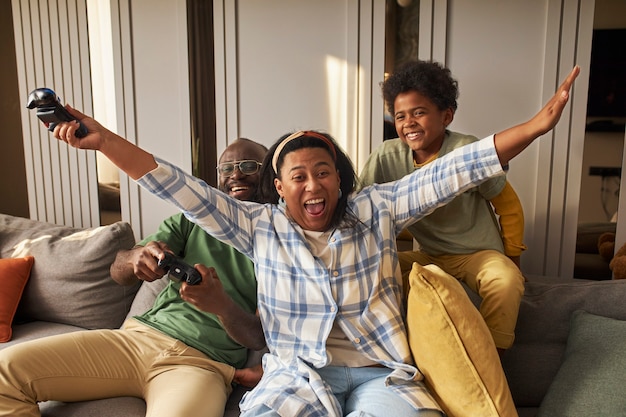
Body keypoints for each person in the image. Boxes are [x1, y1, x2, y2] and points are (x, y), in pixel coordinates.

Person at [45, 65, 578, 417]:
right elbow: (179, 186)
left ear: (340, 179)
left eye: (322, 172)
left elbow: (455, 170)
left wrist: (533, 126)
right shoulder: (259, 225)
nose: (312, 185)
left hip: (382, 377)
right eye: (297, 177)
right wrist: (104, 142)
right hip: (296, 376)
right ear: (279, 189)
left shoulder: (376, 209)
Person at [0, 138, 268, 417]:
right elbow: (119, 273)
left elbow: (256, 337)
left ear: (270, 177)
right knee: (5, 372)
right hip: (138, 340)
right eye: (227, 168)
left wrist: (220, 305)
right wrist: (133, 259)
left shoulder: (277, 243)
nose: (236, 174)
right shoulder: (192, 220)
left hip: (202, 364)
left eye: (249, 166)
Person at [359, 60, 526, 352]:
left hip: (478, 254)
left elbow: (509, 206)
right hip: (428, 256)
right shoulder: (386, 157)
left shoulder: (465, 149)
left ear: (446, 116)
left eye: (419, 113)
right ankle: (390, 349)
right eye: (400, 116)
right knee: (369, 273)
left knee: (506, 281)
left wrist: (513, 258)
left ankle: (492, 354)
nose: (408, 122)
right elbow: (363, 211)